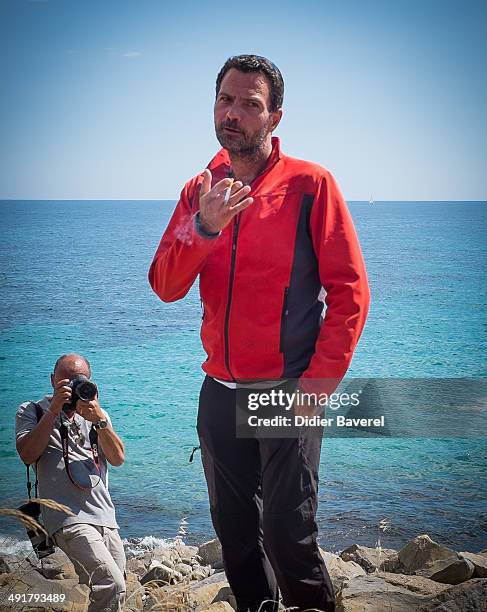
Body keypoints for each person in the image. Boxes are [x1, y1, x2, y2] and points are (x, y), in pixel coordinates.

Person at [149, 54, 370, 612]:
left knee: (289, 534)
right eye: (226, 100)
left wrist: (315, 390)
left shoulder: (311, 185)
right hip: (218, 392)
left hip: (286, 390)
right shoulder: (200, 189)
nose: (235, 114)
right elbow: (166, 286)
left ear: (275, 116)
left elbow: (350, 293)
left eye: (251, 104)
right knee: (236, 536)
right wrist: (204, 228)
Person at [15, 353, 126, 612]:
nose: (73, 387)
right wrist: (54, 410)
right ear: (53, 380)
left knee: (116, 587)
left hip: (106, 518)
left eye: (80, 381)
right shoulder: (32, 410)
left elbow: (118, 458)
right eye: (66, 381)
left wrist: (99, 420)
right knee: (111, 584)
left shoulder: (97, 415)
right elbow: (27, 455)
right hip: (68, 519)